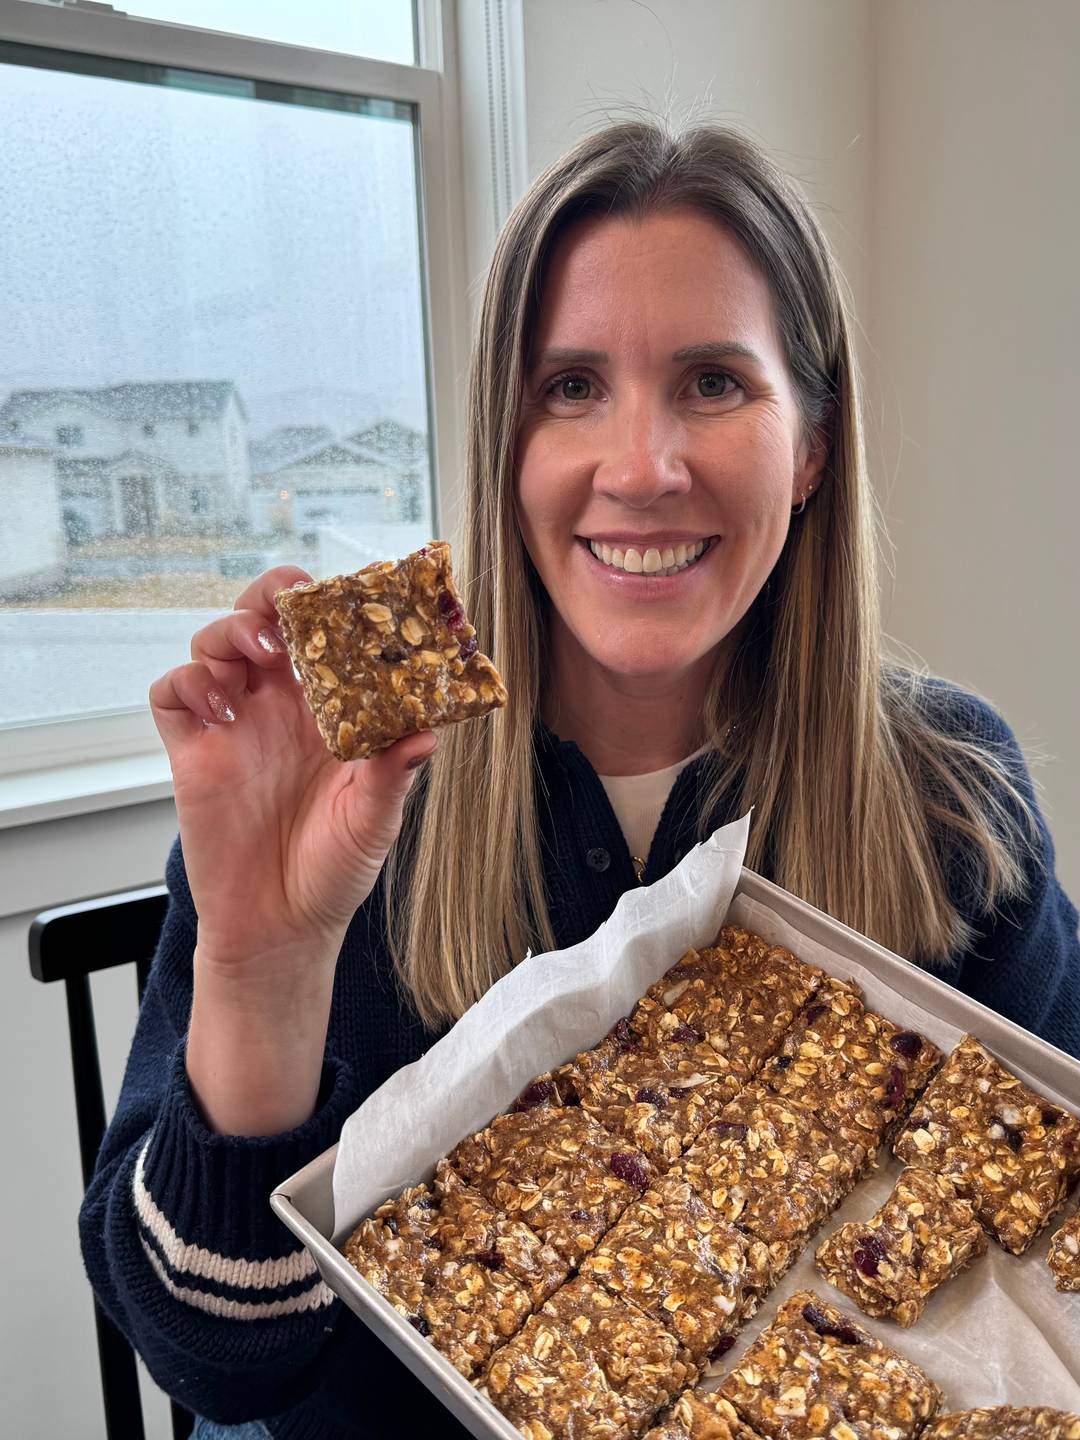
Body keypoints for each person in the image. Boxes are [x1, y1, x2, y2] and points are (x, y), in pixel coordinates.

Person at [79, 120, 1080, 1440]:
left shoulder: (949, 797)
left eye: (716, 383)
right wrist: (261, 967)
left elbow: (1033, 1247)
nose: (642, 468)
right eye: (569, 388)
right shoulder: (342, 787)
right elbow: (218, 1371)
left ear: (814, 447)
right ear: (503, 443)